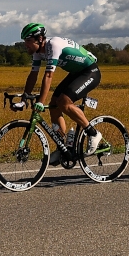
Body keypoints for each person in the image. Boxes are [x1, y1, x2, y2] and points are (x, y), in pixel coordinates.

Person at [20, 22, 102, 164]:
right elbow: (33, 75)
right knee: (54, 105)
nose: (25, 44)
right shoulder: (38, 52)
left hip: (90, 72)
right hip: (76, 73)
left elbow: (48, 76)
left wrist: (40, 101)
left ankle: (93, 133)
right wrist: (24, 97)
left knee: (64, 102)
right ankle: (62, 147)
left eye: (28, 41)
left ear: (39, 39)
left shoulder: (53, 45)